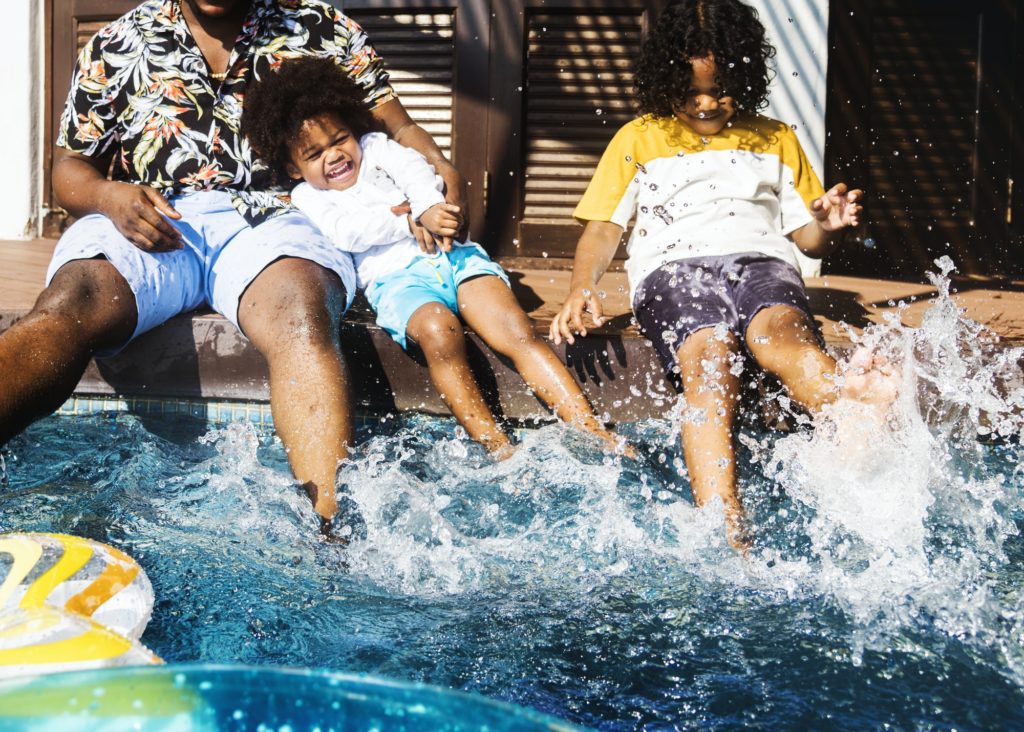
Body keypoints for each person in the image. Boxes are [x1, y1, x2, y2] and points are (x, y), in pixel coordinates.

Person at [0, 0, 465, 530]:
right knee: (72, 301)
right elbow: (69, 168)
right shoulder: (116, 43)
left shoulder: (319, 26)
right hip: (150, 216)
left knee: (301, 314)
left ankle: (331, 535)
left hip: (279, 216)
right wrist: (108, 197)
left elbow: (399, 128)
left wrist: (441, 166)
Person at [548, 0, 898, 547]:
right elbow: (602, 229)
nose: (707, 103)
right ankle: (725, 519)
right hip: (672, 271)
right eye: (691, 92)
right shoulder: (638, 138)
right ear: (664, 81)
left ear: (747, 78)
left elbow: (803, 235)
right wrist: (580, 287)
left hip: (761, 263)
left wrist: (827, 225)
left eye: (721, 89)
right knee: (709, 358)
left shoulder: (775, 137)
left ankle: (849, 402)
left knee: (781, 335)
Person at [242, 57, 629, 459]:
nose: (334, 155)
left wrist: (427, 206)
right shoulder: (308, 196)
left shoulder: (377, 147)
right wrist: (407, 222)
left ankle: (594, 431)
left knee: (515, 328)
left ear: (354, 130)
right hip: (396, 282)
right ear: (293, 165)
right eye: (315, 153)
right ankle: (498, 447)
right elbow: (346, 231)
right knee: (438, 331)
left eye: (339, 139)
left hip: (453, 258)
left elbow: (416, 171)